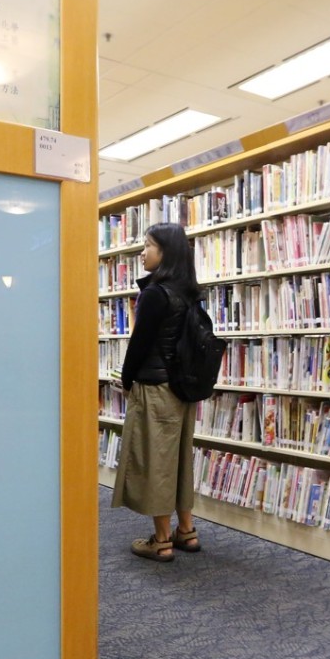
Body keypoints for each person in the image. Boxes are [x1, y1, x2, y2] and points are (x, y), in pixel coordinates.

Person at [112, 223, 202, 562]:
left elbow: (139, 344)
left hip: (154, 388)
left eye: (148, 245)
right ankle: (186, 531)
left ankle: (162, 540)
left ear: (165, 252)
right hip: (182, 390)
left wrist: (126, 379)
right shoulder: (189, 291)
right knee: (179, 460)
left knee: (156, 463)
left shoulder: (155, 293)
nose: (142, 252)